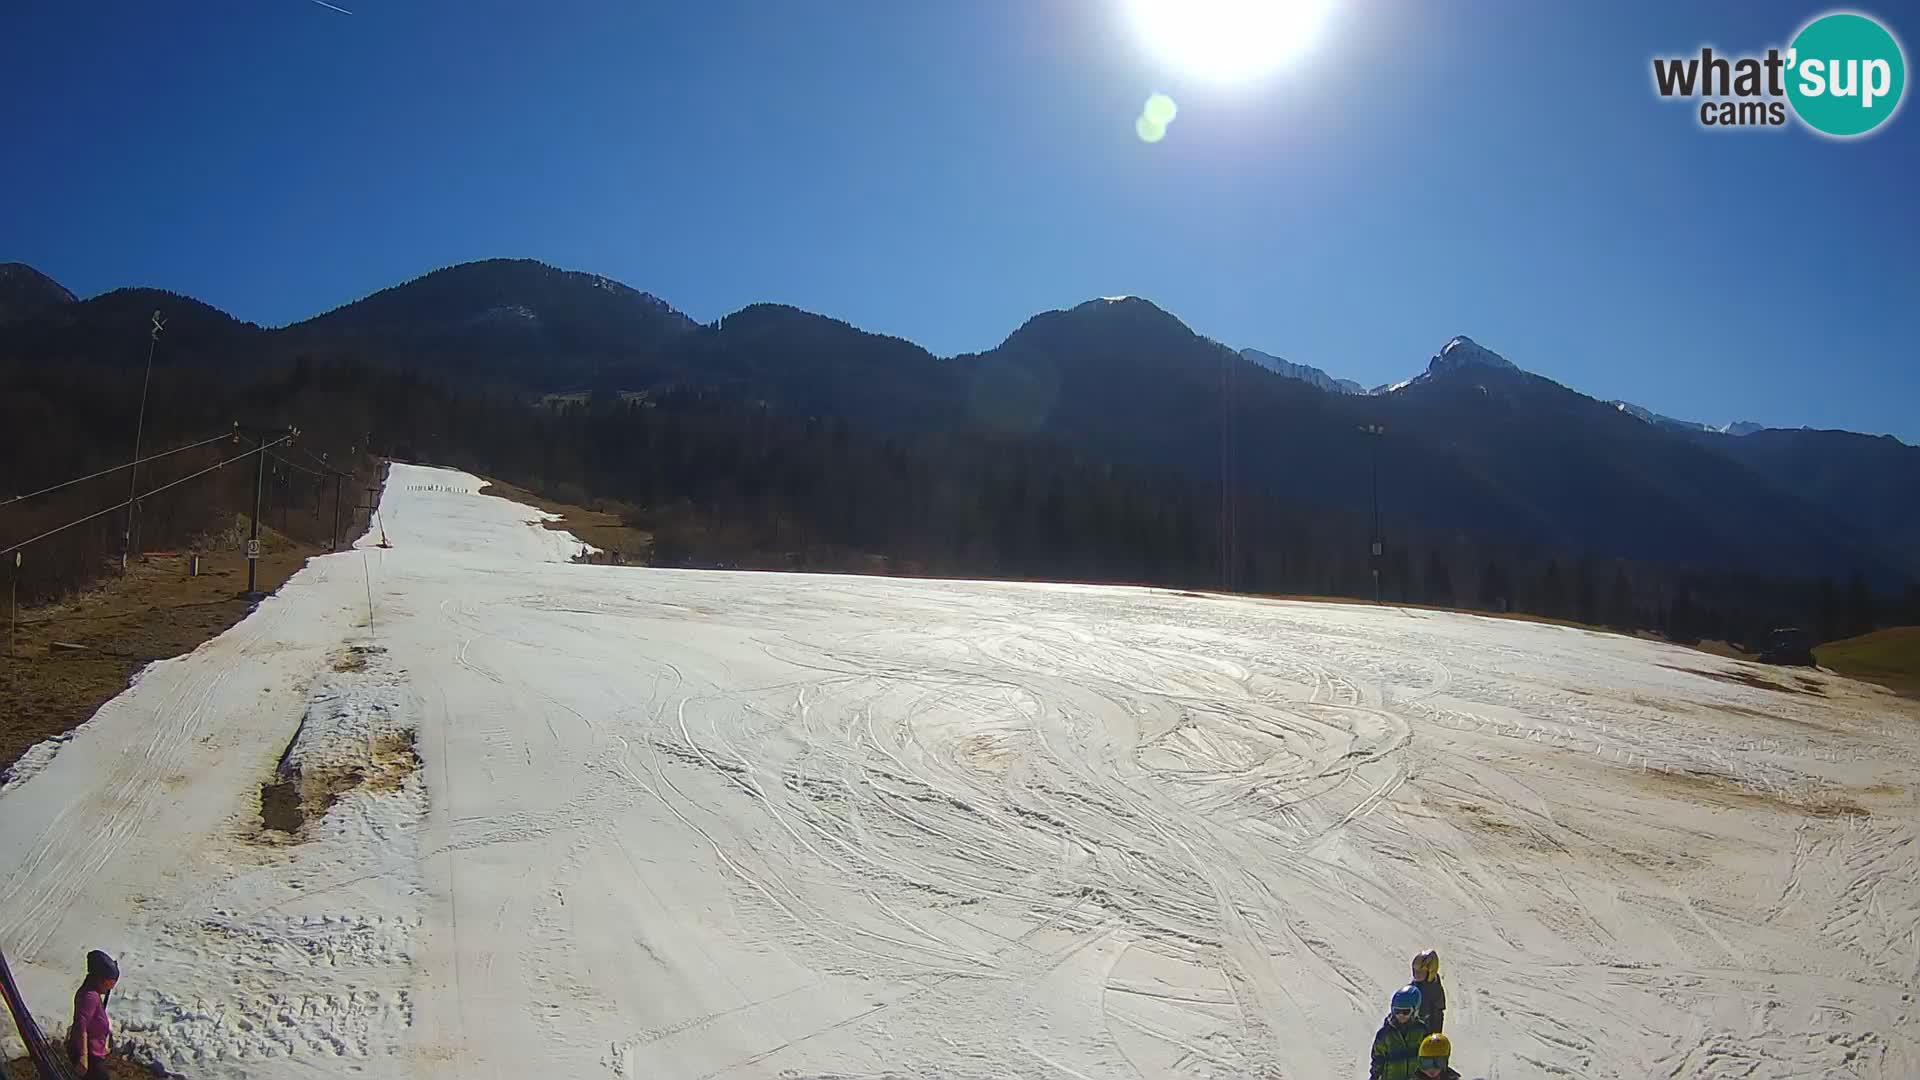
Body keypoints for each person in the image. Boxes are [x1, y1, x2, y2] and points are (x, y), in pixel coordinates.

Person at [68, 949, 117, 1080]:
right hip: (90, 1055)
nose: (109, 988)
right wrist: (83, 1058)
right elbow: (81, 1026)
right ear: (98, 978)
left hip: (95, 1053)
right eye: (108, 983)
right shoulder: (90, 996)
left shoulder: (92, 993)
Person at [1370, 984, 1430, 1080]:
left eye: (1406, 1012)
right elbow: (1378, 1057)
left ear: (1415, 1010)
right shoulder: (1385, 1034)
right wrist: (1375, 1075)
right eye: (1397, 1011)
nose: (1401, 1015)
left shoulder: (1421, 1031)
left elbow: (1428, 1055)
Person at [1411, 948, 1446, 1033]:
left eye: (1421, 972)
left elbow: (1438, 1016)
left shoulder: (1435, 990)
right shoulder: (1412, 987)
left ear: (1430, 972)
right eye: (1415, 971)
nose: (1417, 975)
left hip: (1427, 1031)